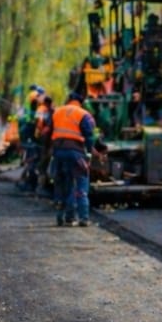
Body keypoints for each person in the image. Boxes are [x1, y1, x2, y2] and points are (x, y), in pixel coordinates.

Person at [51, 92, 96, 226]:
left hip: (58, 152)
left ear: (69, 100)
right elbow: (89, 135)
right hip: (75, 153)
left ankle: (65, 217)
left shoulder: (57, 112)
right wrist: (89, 153)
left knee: (65, 184)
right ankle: (84, 218)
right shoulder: (83, 114)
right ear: (80, 102)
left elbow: (47, 132)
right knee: (82, 182)